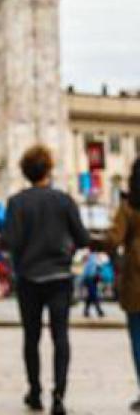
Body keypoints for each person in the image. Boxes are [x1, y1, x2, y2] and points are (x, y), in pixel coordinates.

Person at [0, 145, 91, 415]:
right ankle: (59, 396)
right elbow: (83, 238)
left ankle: (35, 392)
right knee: (60, 336)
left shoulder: (17, 202)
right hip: (60, 277)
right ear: (49, 169)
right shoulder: (64, 200)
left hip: (29, 278)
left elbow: (11, 241)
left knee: (32, 337)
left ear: (26, 172)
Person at [100, 158, 140, 412]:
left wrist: (94, 241)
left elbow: (113, 239)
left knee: (138, 338)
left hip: (135, 281)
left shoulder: (128, 208)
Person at [80, 253, 104, 318]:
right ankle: (99, 311)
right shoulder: (94, 257)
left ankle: (86, 311)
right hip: (91, 278)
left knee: (91, 295)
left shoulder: (91, 257)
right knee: (93, 294)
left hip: (90, 278)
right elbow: (100, 267)